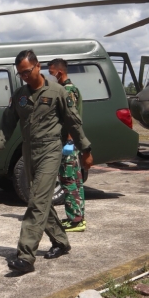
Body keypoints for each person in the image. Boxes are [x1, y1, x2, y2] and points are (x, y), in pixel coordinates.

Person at [0, 50, 92, 274]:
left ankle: (25, 256)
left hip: (51, 149)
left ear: (37, 66)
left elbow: (73, 121)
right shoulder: (20, 95)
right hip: (28, 151)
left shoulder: (58, 92)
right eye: (20, 74)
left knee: (37, 202)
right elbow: (8, 122)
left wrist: (85, 150)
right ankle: (61, 241)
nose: (24, 76)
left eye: (26, 71)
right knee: (39, 199)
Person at [48, 58, 89, 233]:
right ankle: (77, 218)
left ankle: (75, 221)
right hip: (68, 142)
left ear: (59, 71)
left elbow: (72, 118)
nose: (50, 74)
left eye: (51, 71)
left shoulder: (67, 90)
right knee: (74, 181)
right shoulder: (69, 89)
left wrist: (70, 142)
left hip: (68, 142)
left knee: (69, 180)